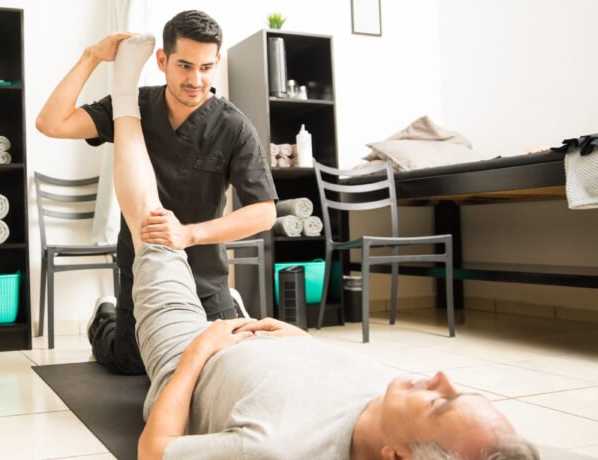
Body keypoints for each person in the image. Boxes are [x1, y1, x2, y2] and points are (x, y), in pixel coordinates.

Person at [104, 34, 539, 460]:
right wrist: (293, 337)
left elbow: (155, 452)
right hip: (259, 339)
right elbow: (323, 378)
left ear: (397, 457)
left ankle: (123, 92)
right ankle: (224, 303)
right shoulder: (392, 399)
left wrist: (199, 350)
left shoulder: (278, 449)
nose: (442, 378)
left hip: (193, 355)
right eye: (458, 391)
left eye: (438, 402)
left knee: (153, 229)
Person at [36, 10, 277, 375]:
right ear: (162, 61)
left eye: (206, 67)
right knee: (131, 363)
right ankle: (105, 317)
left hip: (204, 278)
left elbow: (264, 213)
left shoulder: (234, 127)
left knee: (220, 365)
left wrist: (189, 233)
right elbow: (51, 123)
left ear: (217, 63)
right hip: (141, 267)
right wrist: (91, 57)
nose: (196, 80)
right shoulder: (132, 106)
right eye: (184, 66)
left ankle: (231, 304)